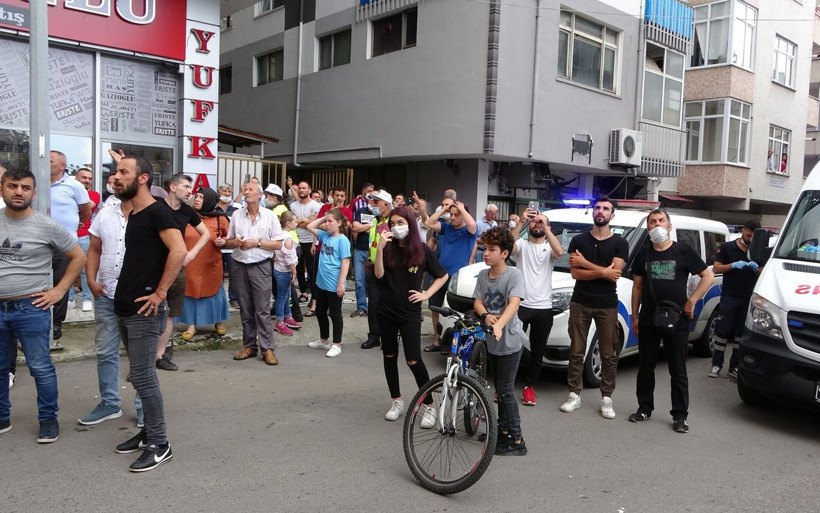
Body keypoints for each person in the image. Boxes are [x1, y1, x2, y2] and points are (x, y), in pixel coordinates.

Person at [109, 156, 186, 471]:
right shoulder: (137, 212)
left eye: (123, 172)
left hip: (145, 309)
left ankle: (160, 443)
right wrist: (122, 158)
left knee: (143, 375)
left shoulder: (157, 212)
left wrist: (160, 292)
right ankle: (147, 433)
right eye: (115, 172)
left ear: (142, 178)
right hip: (126, 307)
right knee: (139, 375)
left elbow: (179, 250)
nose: (116, 177)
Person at [0, 168, 86, 443]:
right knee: (0, 366)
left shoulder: (46, 225)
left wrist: (59, 290)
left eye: (25, 187)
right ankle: (2, 416)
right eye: (13, 186)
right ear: (2, 189)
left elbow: (78, 257)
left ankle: (48, 419)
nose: (19, 192)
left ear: (34, 193)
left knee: (40, 366)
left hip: (31, 307)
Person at [629, 209, 715, 433]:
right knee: (645, 366)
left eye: (660, 221)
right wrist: (635, 316)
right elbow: (637, 287)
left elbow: (708, 276)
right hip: (648, 317)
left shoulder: (683, 250)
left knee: (677, 369)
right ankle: (644, 408)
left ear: (669, 225)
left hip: (677, 318)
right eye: (652, 222)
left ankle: (680, 416)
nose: (657, 225)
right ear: (647, 228)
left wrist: (693, 300)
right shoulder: (643, 254)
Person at [375, 207, 448, 423]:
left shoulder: (422, 250)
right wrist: (379, 248)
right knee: (389, 356)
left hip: (410, 314)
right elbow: (379, 275)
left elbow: (442, 275)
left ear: (410, 224)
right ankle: (397, 400)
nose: (396, 227)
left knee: (414, 360)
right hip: (386, 311)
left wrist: (426, 293)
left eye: (400, 222)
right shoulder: (387, 248)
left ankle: (429, 406)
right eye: (393, 223)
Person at [560, 196, 629, 419]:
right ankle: (574, 395)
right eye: (598, 208)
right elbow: (575, 273)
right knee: (576, 351)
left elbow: (614, 276)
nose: (601, 211)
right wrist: (602, 271)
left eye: (606, 208)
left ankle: (606, 398)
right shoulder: (579, 241)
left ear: (612, 215)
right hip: (580, 300)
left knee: (608, 352)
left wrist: (587, 265)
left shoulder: (620, 243)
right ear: (593, 212)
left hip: (607, 304)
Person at [81, 181, 144, 427]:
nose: (116, 181)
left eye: (123, 176)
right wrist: (90, 279)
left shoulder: (150, 213)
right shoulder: (104, 214)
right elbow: (94, 249)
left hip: (138, 298)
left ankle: (143, 406)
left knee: (139, 357)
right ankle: (109, 403)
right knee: (106, 352)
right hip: (106, 294)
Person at [472, 227, 527, 456]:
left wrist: (498, 324)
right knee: (499, 390)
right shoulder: (484, 275)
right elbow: (477, 301)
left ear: (504, 253)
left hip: (511, 342)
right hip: (493, 341)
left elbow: (514, 304)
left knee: (505, 390)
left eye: (492, 249)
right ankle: (502, 432)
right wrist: (486, 316)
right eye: (485, 248)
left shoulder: (513, 275)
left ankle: (516, 440)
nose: (486, 253)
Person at [217, 183, 282, 366]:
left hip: (261, 265)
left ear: (260, 195)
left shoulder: (270, 216)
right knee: (245, 308)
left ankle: (268, 348)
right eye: (245, 190)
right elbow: (227, 242)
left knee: (262, 309)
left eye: (250, 190)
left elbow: (278, 244)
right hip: (239, 265)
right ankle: (250, 346)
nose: (246, 192)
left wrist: (257, 243)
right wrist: (235, 242)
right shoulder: (237, 214)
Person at [155, 174, 210, 372]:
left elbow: (206, 234)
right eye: (186, 187)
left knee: (170, 314)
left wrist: (192, 253)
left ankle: (160, 356)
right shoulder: (156, 206)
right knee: (147, 314)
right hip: (152, 268)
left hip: (177, 269)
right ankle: (143, 362)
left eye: (191, 187)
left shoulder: (188, 212)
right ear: (172, 187)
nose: (190, 191)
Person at [510, 208, 564, 406]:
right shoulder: (522, 244)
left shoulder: (550, 248)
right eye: (534, 222)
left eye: (541, 222)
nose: (537, 224)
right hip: (521, 304)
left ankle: (529, 387)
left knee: (537, 350)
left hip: (543, 307)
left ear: (548, 227)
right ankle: (506, 387)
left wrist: (545, 224)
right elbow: (506, 244)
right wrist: (522, 221)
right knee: (513, 347)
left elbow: (559, 252)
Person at [708, 219, 761, 379]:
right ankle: (716, 365)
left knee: (740, 334)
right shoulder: (727, 247)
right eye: (748, 235)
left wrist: (757, 268)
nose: (749, 239)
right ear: (743, 230)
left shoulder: (758, 251)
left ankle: (734, 367)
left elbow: (765, 271)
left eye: (753, 237)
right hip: (729, 296)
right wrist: (732, 265)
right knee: (722, 331)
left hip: (748, 298)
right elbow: (716, 267)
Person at [423, 198, 477, 352]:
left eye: (456, 215)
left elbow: (472, 224)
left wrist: (463, 209)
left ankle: (454, 343)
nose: (452, 218)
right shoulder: (446, 227)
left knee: (454, 312)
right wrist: (443, 210)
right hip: (440, 275)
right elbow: (428, 223)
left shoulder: (469, 232)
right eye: (451, 215)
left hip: (458, 279)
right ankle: (437, 340)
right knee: (435, 308)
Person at [176, 188, 230, 340]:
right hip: (190, 265)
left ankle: (218, 323)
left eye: (202, 197)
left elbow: (230, 238)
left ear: (210, 200)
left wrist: (224, 242)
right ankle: (191, 326)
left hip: (211, 265)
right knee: (190, 294)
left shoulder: (220, 219)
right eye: (197, 196)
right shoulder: (187, 216)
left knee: (215, 294)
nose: (197, 199)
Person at [49, 150, 91, 343]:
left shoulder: (74, 185)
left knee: (61, 283)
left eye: (50, 161)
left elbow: (85, 211)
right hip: (39, 243)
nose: (45, 164)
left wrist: (76, 224)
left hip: (64, 244)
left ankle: (56, 323)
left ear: (62, 166)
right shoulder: (35, 183)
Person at [305, 209, 351, 357]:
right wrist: (324, 217)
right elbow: (310, 227)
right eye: (326, 221)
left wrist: (340, 284)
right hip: (321, 282)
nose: (327, 224)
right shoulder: (325, 236)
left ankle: (337, 344)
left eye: (331, 221)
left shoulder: (342, 240)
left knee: (335, 314)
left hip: (334, 283)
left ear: (339, 223)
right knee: (320, 311)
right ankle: (324, 340)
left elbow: (345, 262)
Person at [359, 190, 394, 349]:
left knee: (388, 304)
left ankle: (390, 335)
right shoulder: (375, 221)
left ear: (385, 204)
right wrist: (368, 258)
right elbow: (373, 242)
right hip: (374, 266)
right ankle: (374, 335)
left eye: (375, 202)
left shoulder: (394, 222)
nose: (371, 205)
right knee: (373, 304)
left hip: (390, 269)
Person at [73, 167, 100, 312]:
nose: (87, 181)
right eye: (84, 177)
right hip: (68, 235)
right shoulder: (69, 193)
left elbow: (87, 207)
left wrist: (70, 204)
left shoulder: (94, 194)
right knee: (66, 268)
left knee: (85, 269)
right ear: (76, 178)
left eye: (90, 178)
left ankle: (87, 299)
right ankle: (69, 298)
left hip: (84, 235)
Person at [291, 181, 321, 305]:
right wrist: (305, 221)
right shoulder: (293, 205)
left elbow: (313, 224)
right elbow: (291, 223)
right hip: (297, 240)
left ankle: (315, 297)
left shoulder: (315, 205)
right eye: (300, 188)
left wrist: (300, 222)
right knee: (298, 268)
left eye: (304, 188)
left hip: (310, 240)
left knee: (311, 270)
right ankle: (303, 292)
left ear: (309, 190)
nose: (301, 190)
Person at [272, 211, 302, 336]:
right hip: (284, 271)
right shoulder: (288, 239)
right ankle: (279, 322)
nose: (297, 223)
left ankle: (288, 317)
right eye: (295, 221)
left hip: (278, 268)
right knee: (282, 297)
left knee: (286, 295)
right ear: (289, 223)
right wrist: (294, 271)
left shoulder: (278, 235)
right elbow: (289, 259)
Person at [216, 183, 240, 308]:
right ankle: (218, 298)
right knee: (217, 274)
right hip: (216, 247)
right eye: (224, 191)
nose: (226, 194)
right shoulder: (213, 208)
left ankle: (234, 298)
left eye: (229, 192)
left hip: (231, 247)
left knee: (234, 274)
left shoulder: (237, 207)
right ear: (218, 192)